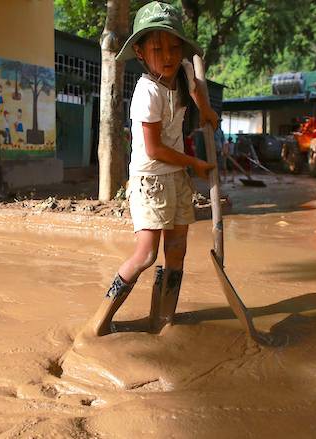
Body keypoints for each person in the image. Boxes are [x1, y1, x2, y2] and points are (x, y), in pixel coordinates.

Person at [77, 1, 217, 339]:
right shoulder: (147, 92)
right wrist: (195, 163)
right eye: (157, 48)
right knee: (146, 254)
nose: (167, 55)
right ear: (140, 52)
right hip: (150, 180)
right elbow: (154, 149)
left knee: (177, 251)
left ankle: (162, 320)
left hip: (177, 178)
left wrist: (207, 110)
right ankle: (98, 322)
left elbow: (196, 86)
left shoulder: (182, 71)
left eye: (173, 47)